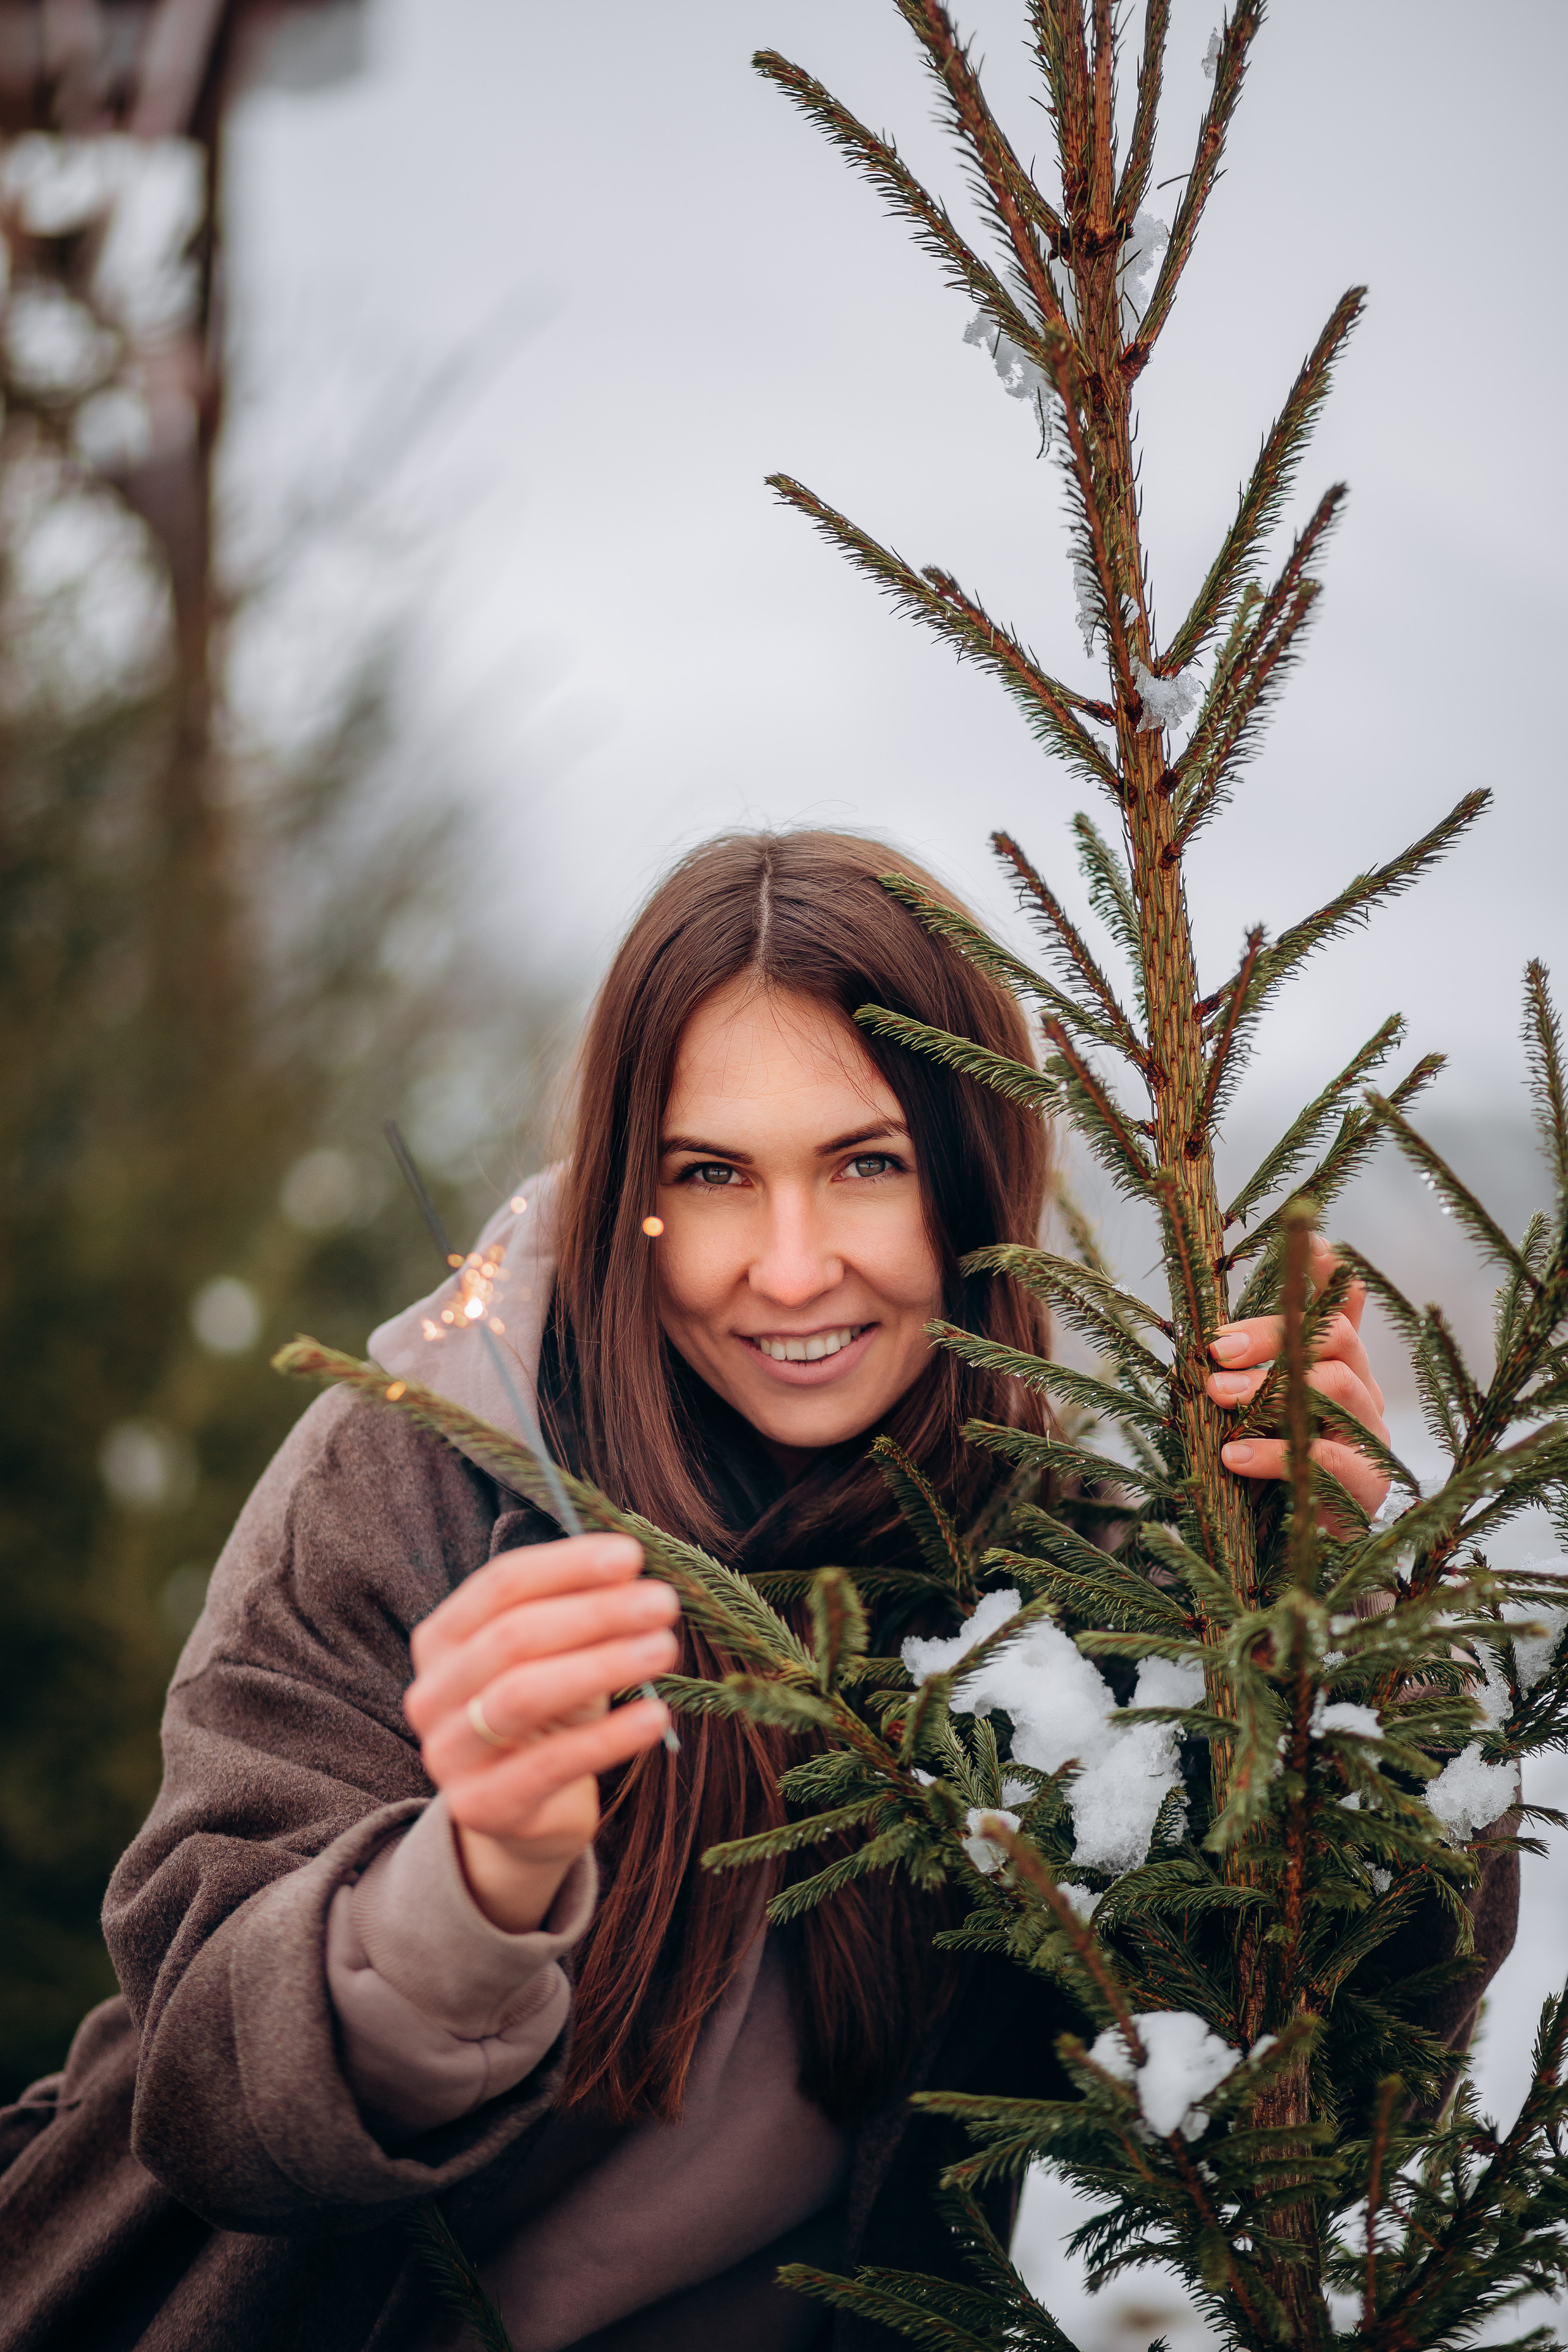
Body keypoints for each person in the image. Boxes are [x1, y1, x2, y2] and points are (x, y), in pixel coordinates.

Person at [0, 832, 1512, 2352]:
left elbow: (1340, 2085)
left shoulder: (1067, 1577)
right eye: (711, 1176)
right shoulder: (421, 1473)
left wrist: (1338, 1633)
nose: (790, 1273)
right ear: (624, 1192)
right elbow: (211, 2099)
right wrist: (472, 1883)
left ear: (980, 1179)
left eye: (867, 1165)